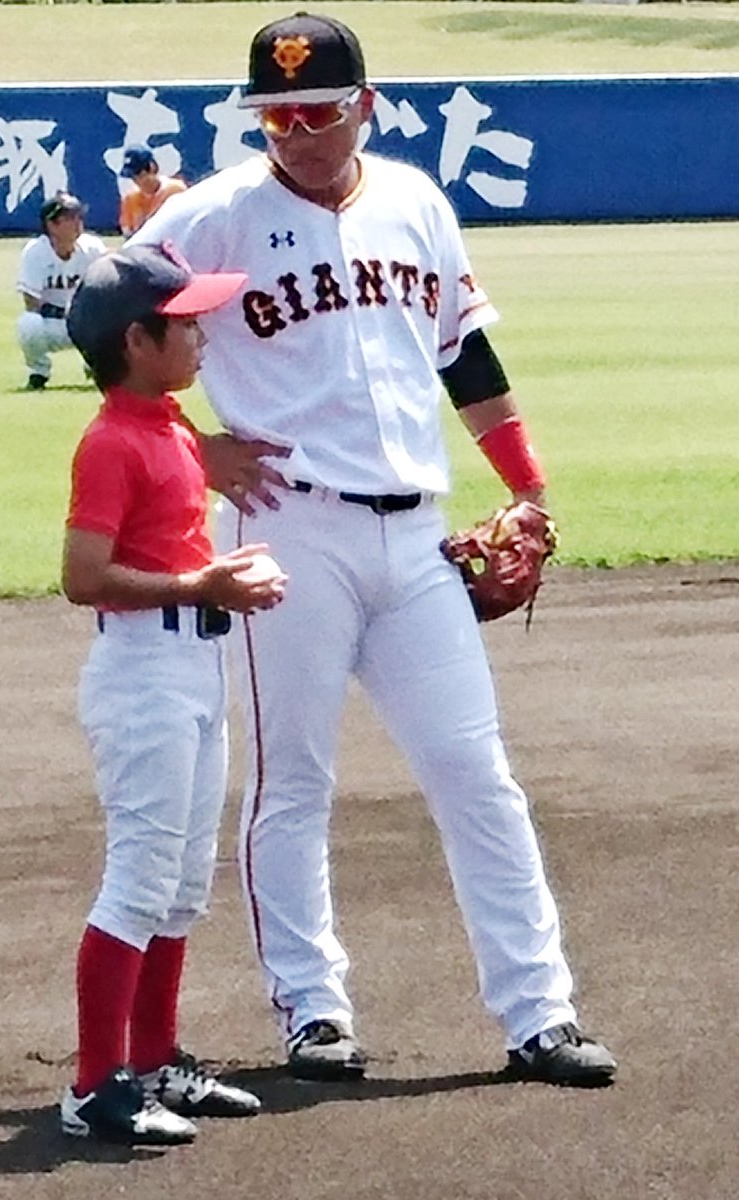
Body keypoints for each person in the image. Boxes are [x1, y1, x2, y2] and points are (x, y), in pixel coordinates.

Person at [129, 11, 617, 1088]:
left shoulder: (413, 202)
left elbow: (464, 355)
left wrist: (526, 488)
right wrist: (191, 446)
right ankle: (311, 1011)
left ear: (368, 104)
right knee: (292, 780)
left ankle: (538, 1014)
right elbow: (111, 324)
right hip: (286, 529)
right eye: (277, 116)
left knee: (475, 774)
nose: (299, 133)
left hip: (415, 539)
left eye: (319, 111)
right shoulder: (211, 216)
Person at [59, 243, 288, 1146]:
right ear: (136, 341)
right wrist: (202, 585)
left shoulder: (169, 428)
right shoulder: (111, 441)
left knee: (184, 883)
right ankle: (94, 1086)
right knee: (139, 880)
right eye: (184, 323)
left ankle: (153, 1061)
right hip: (142, 675)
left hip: (193, 667)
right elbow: (82, 576)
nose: (201, 335)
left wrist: (218, 581)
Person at [15, 190, 106, 391]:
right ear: (52, 225)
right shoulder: (36, 252)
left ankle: (96, 365)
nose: (78, 222)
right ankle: (39, 372)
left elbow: (107, 290)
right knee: (28, 324)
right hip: (52, 323)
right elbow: (31, 302)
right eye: (70, 218)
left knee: (118, 320)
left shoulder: (93, 247)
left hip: (86, 322)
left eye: (78, 216)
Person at [118, 143, 188, 238]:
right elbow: (128, 233)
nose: (136, 179)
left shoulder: (176, 190)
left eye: (138, 174)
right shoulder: (130, 199)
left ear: (152, 167)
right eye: (132, 176)